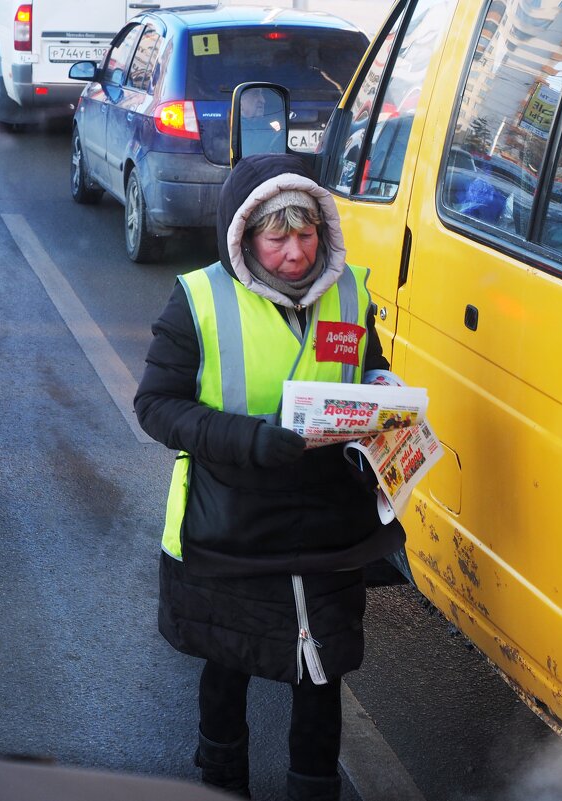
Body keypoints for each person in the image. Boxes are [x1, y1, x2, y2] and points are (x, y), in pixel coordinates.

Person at [134, 153, 405, 801]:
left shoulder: (347, 292)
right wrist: (253, 440)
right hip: (231, 523)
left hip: (329, 526)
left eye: (306, 235)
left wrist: (383, 389)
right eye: (277, 237)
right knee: (228, 663)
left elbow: (365, 364)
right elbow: (157, 407)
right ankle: (222, 783)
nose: (294, 253)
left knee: (322, 672)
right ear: (244, 235)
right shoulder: (199, 299)